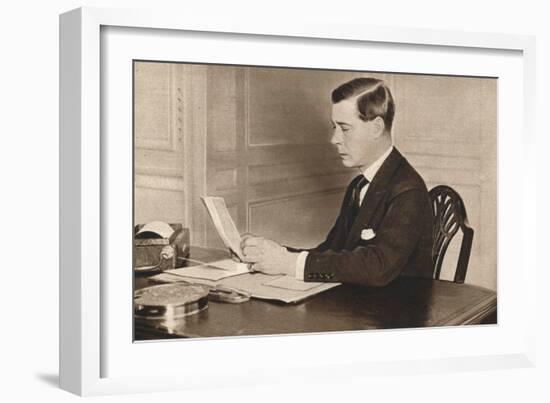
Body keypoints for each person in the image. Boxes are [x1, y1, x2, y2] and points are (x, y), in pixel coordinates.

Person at [240, 77, 433, 287]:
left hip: (397, 313)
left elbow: (378, 267)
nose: (335, 139)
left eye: (345, 128)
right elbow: (331, 251)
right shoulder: (358, 185)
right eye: (334, 127)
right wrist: (271, 254)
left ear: (377, 128)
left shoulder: (408, 190)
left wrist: (287, 263)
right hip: (361, 305)